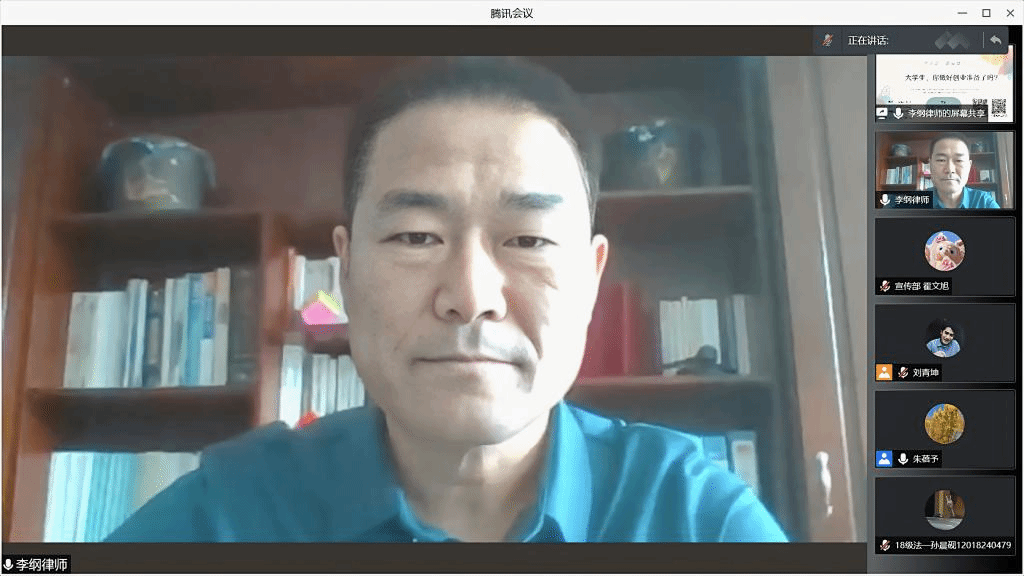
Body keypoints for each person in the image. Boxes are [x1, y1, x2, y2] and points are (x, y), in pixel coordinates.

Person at [106, 57, 788, 543]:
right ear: (347, 269)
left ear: (590, 278)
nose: (470, 297)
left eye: (527, 239)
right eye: (415, 236)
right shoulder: (229, 515)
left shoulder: (696, 518)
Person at [926, 133, 1000, 209]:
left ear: (969, 166)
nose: (950, 169)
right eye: (941, 160)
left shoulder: (985, 203)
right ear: (930, 165)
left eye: (959, 160)